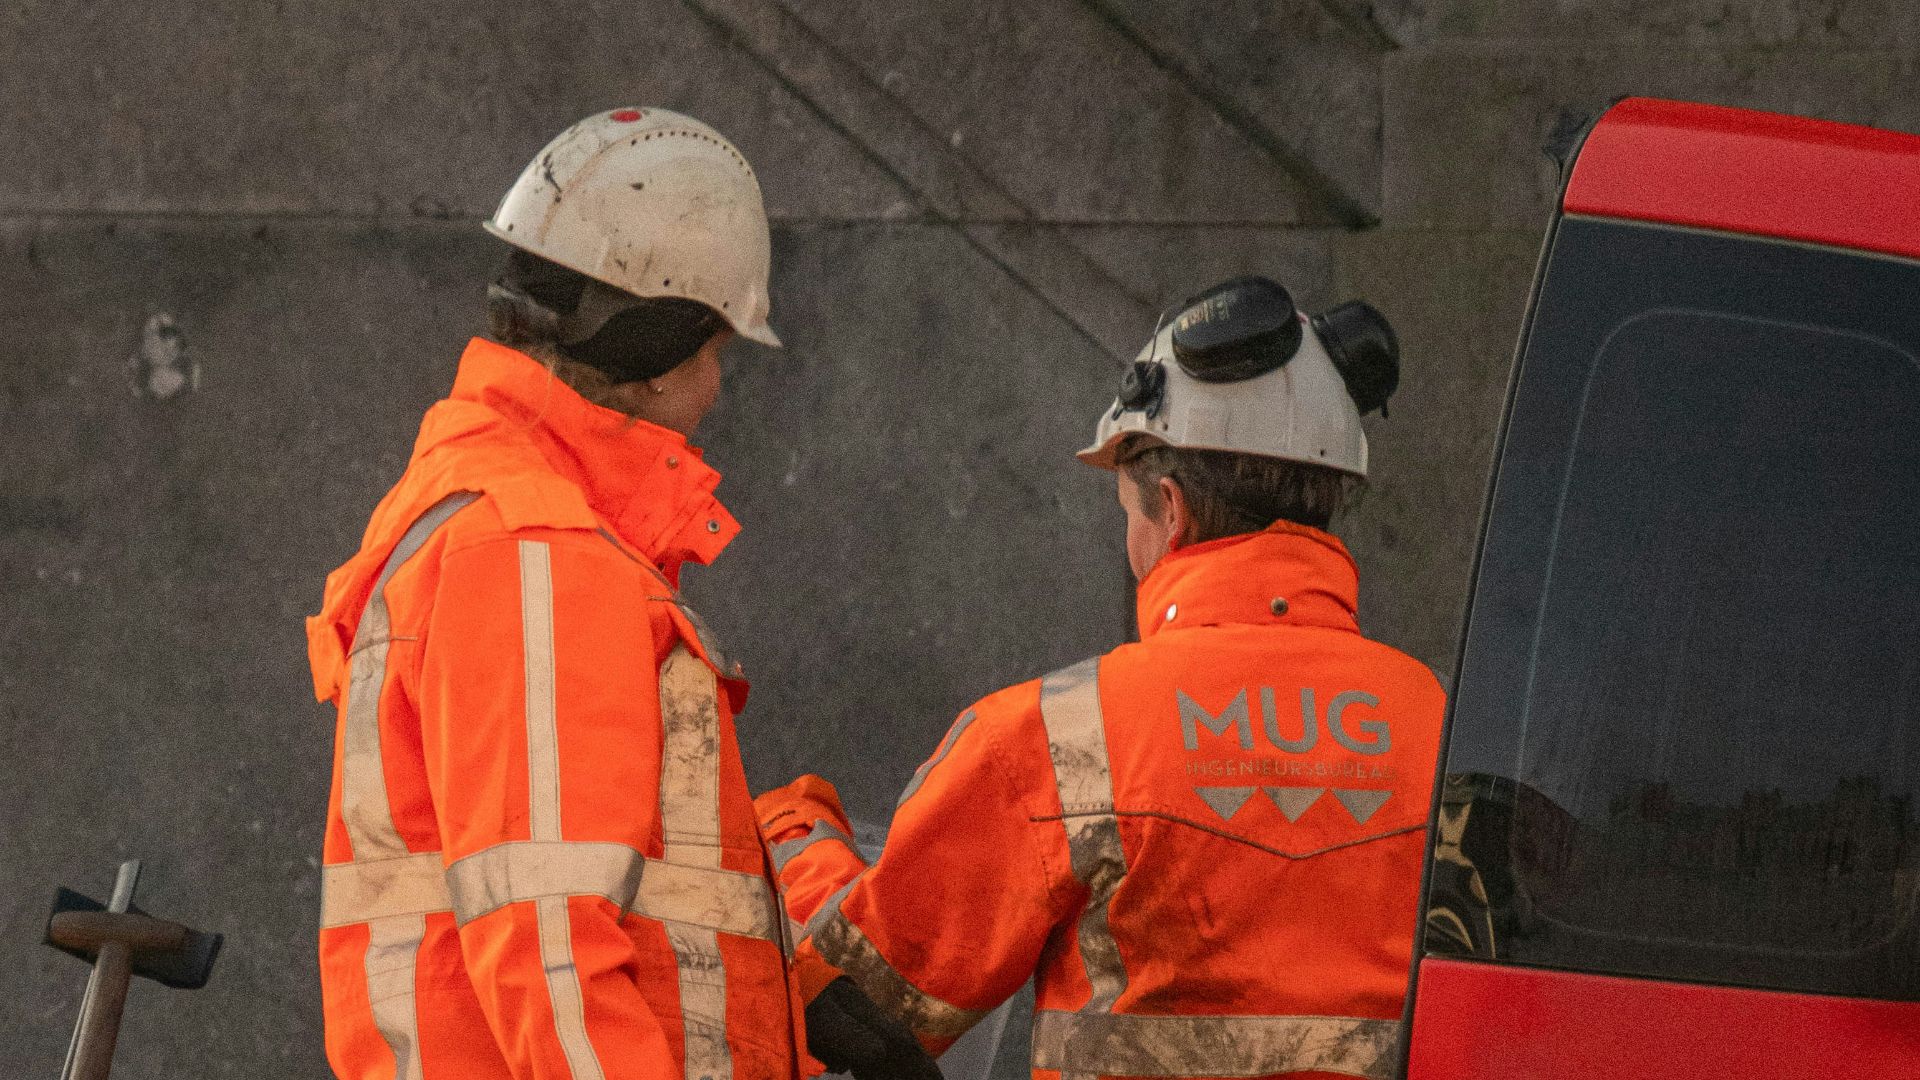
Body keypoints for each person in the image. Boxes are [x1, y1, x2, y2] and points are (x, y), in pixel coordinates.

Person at [305, 106, 930, 1080]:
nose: (718, 388)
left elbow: (618, 907)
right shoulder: (533, 550)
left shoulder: (492, 522)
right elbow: (553, 952)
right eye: (716, 350)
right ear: (658, 354)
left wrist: (795, 996)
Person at [760, 276, 1447, 1080]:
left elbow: (865, 997)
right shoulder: (1448, 725)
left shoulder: (1059, 737)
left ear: (1170, 508)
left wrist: (795, 838)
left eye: (1129, 515)